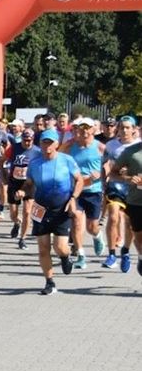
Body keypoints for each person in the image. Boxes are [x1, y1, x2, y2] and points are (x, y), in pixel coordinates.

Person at [22, 128, 83, 295]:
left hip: (62, 208)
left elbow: (79, 180)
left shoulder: (67, 160)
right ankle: (49, 282)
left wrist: (73, 199)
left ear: (57, 144)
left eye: (50, 142)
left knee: (60, 247)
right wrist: (23, 190)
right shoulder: (34, 163)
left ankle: (65, 256)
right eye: (44, 142)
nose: (46, 146)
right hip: (40, 209)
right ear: (40, 143)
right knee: (43, 248)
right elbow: (29, 183)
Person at [60, 117, 106, 268]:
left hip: (93, 190)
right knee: (76, 222)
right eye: (81, 128)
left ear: (93, 129)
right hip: (76, 191)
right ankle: (80, 255)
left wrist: (101, 173)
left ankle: (97, 236)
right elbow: (57, 155)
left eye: (87, 128)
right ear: (76, 130)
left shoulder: (99, 147)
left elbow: (111, 163)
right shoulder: (71, 146)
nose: (84, 131)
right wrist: (66, 143)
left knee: (91, 226)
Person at [104, 116, 139, 271]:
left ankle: (125, 249)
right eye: (122, 127)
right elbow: (106, 167)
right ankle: (111, 254)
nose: (124, 130)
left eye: (127, 127)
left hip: (134, 191)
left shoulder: (138, 146)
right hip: (116, 186)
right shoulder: (111, 145)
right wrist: (101, 185)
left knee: (129, 224)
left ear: (134, 130)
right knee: (113, 216)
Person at [5, 129, 39, 248]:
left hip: (29, 183)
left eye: (29, 140)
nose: (27, 143)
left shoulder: (37, 151)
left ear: (33, 139)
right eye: (25, 140)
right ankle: (16, 223)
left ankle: (22, 239)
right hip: (14, 182)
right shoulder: (14, 148)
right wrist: (5, 178)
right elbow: (2, 161)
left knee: (27, 211)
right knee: (13, 213)